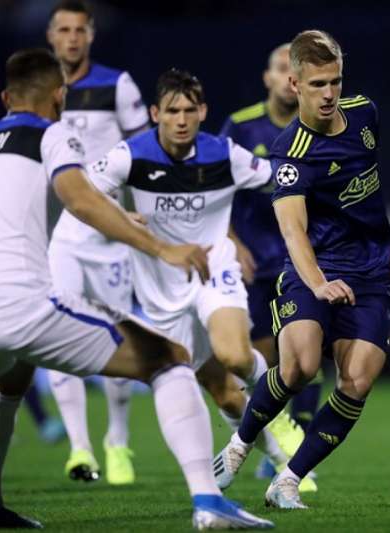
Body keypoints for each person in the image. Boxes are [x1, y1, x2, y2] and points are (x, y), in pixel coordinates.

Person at [0, 48, 272, 530]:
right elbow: (79, 200)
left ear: (6, 97)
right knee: (170, 358)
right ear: (60, 95)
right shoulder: (54, 134)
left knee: (7, 382)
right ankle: (209, 503)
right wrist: (162, 248)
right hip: (23, 306)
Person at [212, 30, 390, 509]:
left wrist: (385, 244)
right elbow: (294, 231)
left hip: (367, 273)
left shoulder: (366, 112)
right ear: (295, 82)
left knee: (358, 381)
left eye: (336, 82)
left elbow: (368, 186)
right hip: (313, 270)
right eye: (318, 84)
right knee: (299, 366)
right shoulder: (290, 152)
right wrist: (319, 284)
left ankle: (289, 479)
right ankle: (241, 443)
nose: (329, 94)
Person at [86, 68, 308, 487]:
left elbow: (283, 180)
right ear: (156, 113)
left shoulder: (225, 153)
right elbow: (82, 194)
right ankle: (284, 462)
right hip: (161, 289)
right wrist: (119, 214)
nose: (182, 119)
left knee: (236, 355)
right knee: (224, 393)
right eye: (173, 111)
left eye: (190, 110)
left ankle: (279, 416)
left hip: (214, 270)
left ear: (203, 111)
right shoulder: (129, 155)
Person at [45, 0, 150, 484]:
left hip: (111, 234)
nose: (70, 38)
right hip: (62, 234)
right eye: (62, 29)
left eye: (78, 30)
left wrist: (139, 216)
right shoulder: (38, 88)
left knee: (115, 338)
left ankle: (119, 441)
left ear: (91, 36)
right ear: (51, 36)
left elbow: (147, 155)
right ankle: (80, 448)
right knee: (58, 333)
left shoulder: (117, 84)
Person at [219, 43, 322, 481]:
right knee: (264, 360)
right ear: (269, 78)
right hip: (254, 263)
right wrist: (230, 240)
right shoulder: (240, 127)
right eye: (281, 68)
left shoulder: (318, 127)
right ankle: (275, 443)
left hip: (301, 260)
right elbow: (212, 190)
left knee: (308, 354)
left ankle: (292, 452)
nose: (287, 77)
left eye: (293, 70)